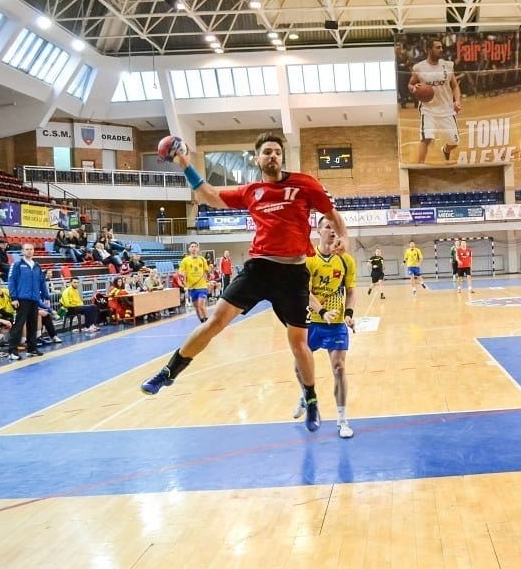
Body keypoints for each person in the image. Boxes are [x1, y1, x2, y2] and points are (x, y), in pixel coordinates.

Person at [139, 132, 349, 435]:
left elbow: (332, 214)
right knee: (214, 323)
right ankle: (169, 372)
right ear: (257, 158)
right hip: (259, 268)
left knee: (298, 344)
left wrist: (342, 237)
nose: (273, 156)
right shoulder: (252, 191)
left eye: (277, 151)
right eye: (267, 152)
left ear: (282, 157)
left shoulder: (304, 184)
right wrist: (185, 162)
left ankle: (312, 400)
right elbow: (209, 194)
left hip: (293, 274)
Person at [293, 216, 357, 438]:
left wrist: (348, 314)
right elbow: (304, 292)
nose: (332, 231)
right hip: (311, 323)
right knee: (298, 368)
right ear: (318, 231)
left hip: (336, 323)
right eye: (328, 227)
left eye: (335, 227)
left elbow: (350, 291)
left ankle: (342, 420)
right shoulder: (308, 260)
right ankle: (307, 396)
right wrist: (321, 311)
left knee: (339, 368)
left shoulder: (346, 260)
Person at [408, 39, 462, 163]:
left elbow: (454, 85)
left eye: (441, 47)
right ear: (429, 50)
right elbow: (410, 84)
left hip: (447, 110)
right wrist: (413, 88)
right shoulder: (419, 67)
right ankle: (420, 167)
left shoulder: (447, 65)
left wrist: (457, 101)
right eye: (438, 47)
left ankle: (446, 150)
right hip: (428, 110)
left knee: (454, 142)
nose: (441, 50)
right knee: (426, 139)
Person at [6, 243, 48, 361]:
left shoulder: (37, 266)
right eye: (27, 249)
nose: (29, 251)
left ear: (34, 251)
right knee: (18, 325)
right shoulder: (17, 265)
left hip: (34, 299)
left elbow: (42, 282)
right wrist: (14, 298)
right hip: (21, 299)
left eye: (31, 249)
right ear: (22, 251)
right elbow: (11, 281)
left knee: (32, 325)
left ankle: (32, 349)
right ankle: (12, 351)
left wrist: (46, 296)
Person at [179, 241, 210, 323]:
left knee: (201, 305)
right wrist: (182, 274)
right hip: (192, 287)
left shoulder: (202, 260)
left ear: (198, 249)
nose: (194, 248)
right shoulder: (185, 260)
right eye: (192, 246)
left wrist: (207, 279)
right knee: (196, 307)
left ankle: (208, 322)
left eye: (195, 246)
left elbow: (207, 271)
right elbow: (181, 271)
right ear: (189, 249)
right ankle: (202, 321)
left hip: (202, 286)